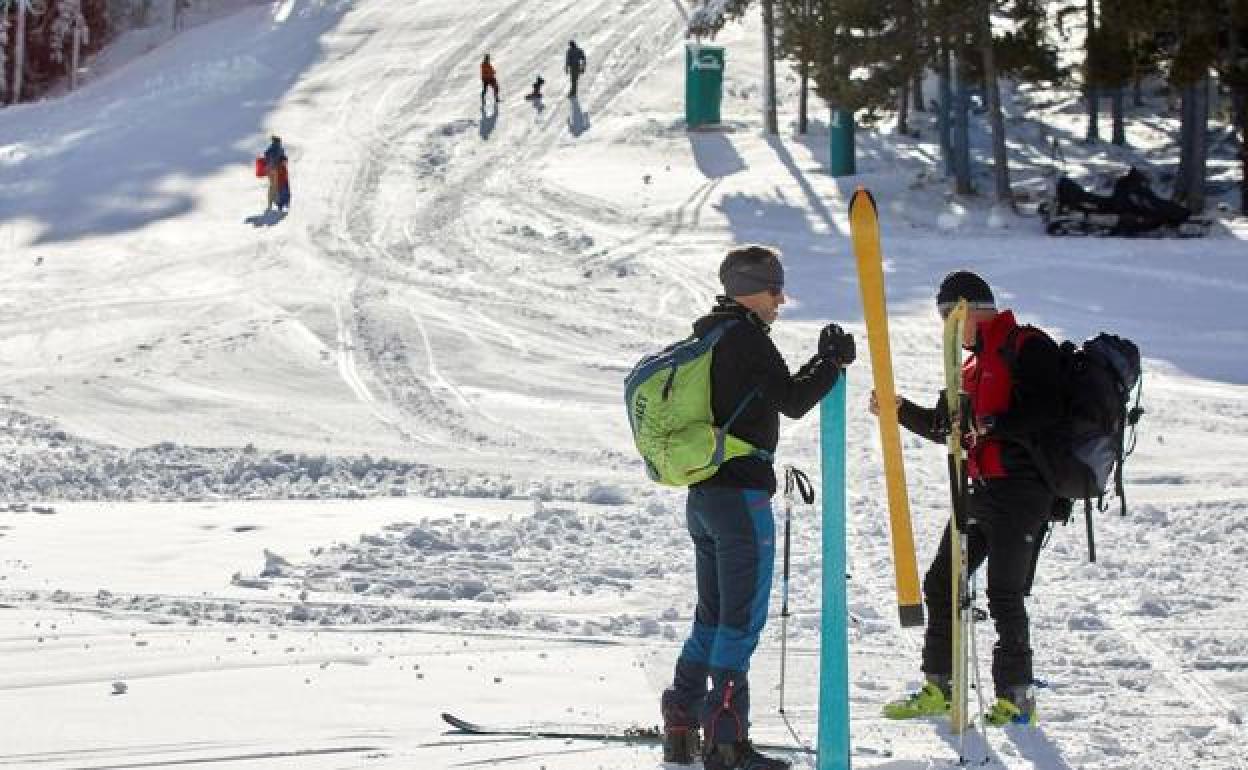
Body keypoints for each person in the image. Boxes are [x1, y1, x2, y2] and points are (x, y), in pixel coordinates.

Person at [660, 245, 857, 770]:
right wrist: (830, 361)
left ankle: (680, 718)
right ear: (749, 289)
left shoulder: (707, 335)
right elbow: (791, 400)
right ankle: (726, 743)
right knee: (740, 621)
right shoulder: (746, 337)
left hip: (703, 496)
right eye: (774, 289)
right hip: (741, 498)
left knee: (714, 614)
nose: (781, 299)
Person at [874, 270, 1060, 727]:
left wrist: (992, 426)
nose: (947, 329)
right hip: (977, 491)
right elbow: (948, 429)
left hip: (1022, 491)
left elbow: (1049, 408)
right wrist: (901, 412)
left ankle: (1017, 699)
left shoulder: (1028, 345)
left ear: (971, 309)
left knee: (1004, 593)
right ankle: (940, 686)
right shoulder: (969, 368)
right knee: (942, 583)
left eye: (948, 316)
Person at [263, 136, 289, 212]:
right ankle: (278, 204)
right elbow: (282, 158)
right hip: (276, 169)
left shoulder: (270, 149)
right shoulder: (278, 149)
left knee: (272, 186)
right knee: (277, 186)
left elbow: (266, 156)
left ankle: (270, 203)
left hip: (270, 170)